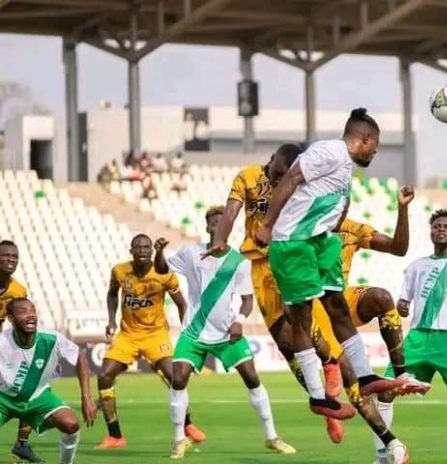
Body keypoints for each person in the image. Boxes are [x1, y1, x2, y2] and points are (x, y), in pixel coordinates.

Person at [207, 144, 425, 450]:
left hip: (316, 278)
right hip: (269, 261)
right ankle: (326, 393)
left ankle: (389, 426)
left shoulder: (338, 226)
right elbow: (231, 211)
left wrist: (400, 208)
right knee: (288, 341)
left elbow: (396, 247)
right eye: (277, 176)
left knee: (353, 326)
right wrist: (220, 239)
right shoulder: (252, 178)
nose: (280, 182)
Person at [255, 108, 412, 462]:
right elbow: (291, 179)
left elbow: (334, 205)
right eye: (375, 146)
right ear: (365, 139)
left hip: (320, 242)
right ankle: (318, 396)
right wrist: (267, 224)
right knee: (301, 316)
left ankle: (366, 376)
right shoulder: (329, 151)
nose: (375, 153)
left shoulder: (345, 169)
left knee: (338, 307)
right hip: (294, 242)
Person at [153, 207, 296, 459]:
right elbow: (163, 270)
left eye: (223, 222)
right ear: (208, 227)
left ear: (229, 228)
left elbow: (247, 301)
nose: (218, 226)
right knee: (179, 379)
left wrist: (239, 321)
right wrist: (159, 252)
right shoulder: (191, 253)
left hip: (226, 333)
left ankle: (272, 437)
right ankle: (179, 440)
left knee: (252, 378)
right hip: (193, 332)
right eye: (214, 222)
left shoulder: (239, 262)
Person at [372, 209, 447, 463]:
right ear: (430, 233)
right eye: (437, 226)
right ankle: (382, 457)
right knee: (385, 390)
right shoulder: (417, 266)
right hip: (416, 340)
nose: (441, 229)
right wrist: (402, 306)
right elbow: (404, 301)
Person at [95, 234, 205, 449]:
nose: (143, 250)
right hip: (128, 335)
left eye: (146, 247)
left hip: (155, 334)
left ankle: (188, 425)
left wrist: (186, 331)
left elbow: (182, 304)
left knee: (174, 376)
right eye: (138, 247)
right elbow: (112, 294)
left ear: (152, 251)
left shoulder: (164, 275)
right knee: (104, 376)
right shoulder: (119, 271)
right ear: (131, 251)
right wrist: (111, 321)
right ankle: (115, 436)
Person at [0, 297, 97, 464]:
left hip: (37, 398)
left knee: (71, 424)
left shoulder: (51, 339)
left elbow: (79, 356)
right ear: (11, 318)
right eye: (23, 312)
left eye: (32, 310)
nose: (30, 315)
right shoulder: (3, 342)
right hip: (4, 400)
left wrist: (87, 397)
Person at [0, 240, 43, 463]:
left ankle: (22, 444)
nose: (11, 259)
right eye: (6, 255)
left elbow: (20, 322)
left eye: (14, 256)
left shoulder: (18, 291)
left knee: (31, 384)